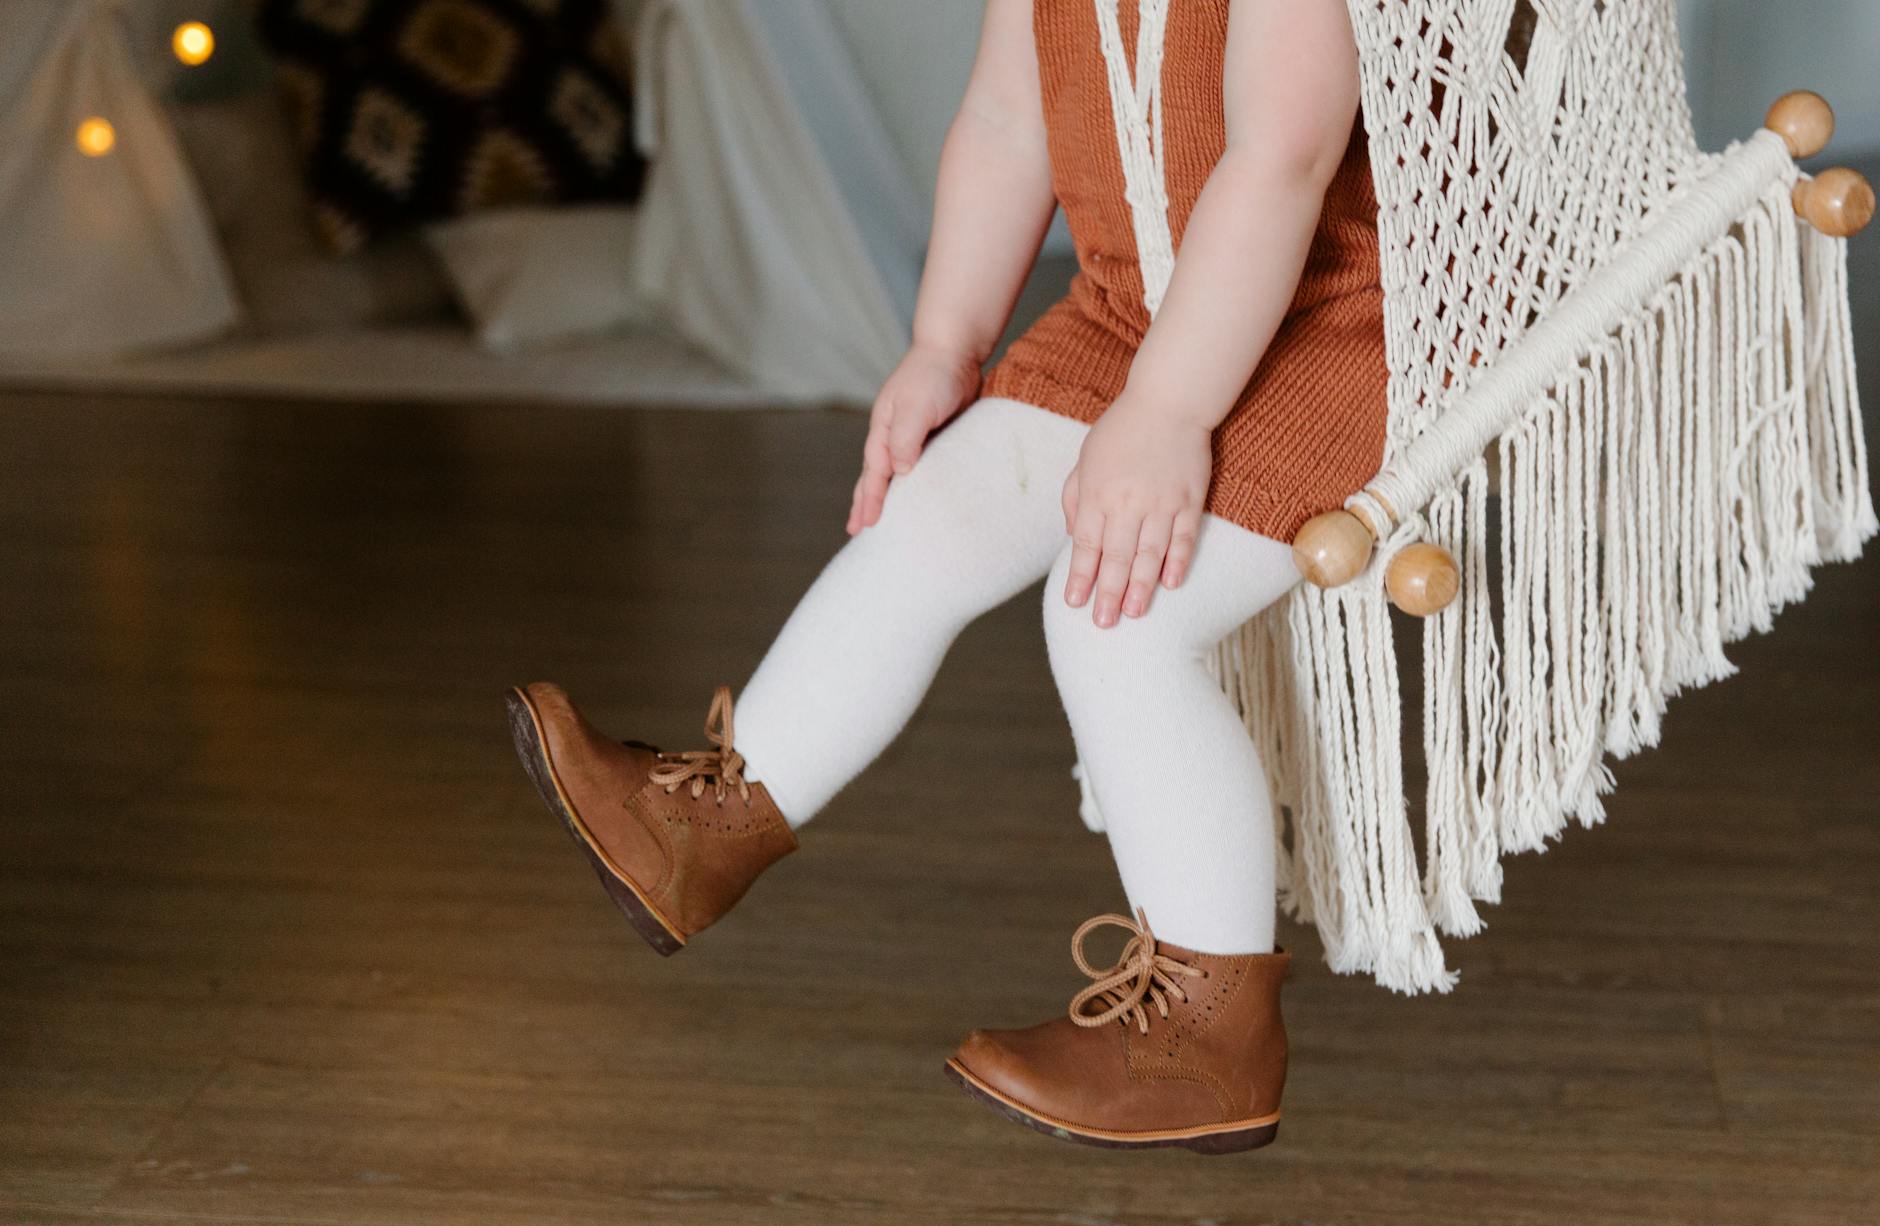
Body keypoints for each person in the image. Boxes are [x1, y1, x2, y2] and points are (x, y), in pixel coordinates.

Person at [506, 0, 1386, 1154]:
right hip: (1135, 309)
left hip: (1335, 322)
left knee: (1118, 618)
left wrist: (1166, 413)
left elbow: (1284, 155)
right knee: (933, 515)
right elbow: (1004, 123)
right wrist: (941, 343)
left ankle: (1209, 1031)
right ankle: (705, 822)